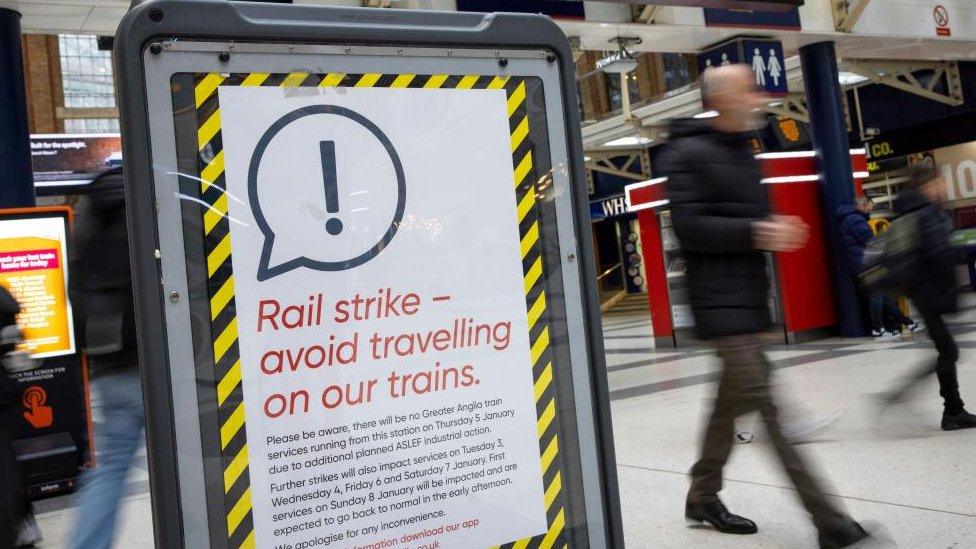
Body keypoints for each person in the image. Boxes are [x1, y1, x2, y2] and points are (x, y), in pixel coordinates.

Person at [665, 64, 873, 548]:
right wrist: (758, 232)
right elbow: (689, 227)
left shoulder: (743, 151)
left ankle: (701, 495)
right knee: (772, 411)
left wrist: (768, 235)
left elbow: (742, 223)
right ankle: (829, 522)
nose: (757, 97)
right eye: (746, 89)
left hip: (746, 303)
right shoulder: (687, 153)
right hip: (718, 305)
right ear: (721, 98)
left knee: (727, 407)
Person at [69, 166, 145, 549]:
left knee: (111, 467)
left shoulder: (90, 216)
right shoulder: (152, 205)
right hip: (161, 366)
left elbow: (76, 290)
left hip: (109, 364)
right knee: (199, 463)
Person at [881, 158, 976, 431]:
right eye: (939, 182)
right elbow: (938, 256)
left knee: (946, 350)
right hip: (931, 292)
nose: (942, 187)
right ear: (927, 185)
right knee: (948, 351)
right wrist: (951, 293)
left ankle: (952, 409)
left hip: (919, 292)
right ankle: (950, 411)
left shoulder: (907, 211)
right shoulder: (927, 213)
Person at [835, 196, 920, 340]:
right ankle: (878, 329)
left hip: (860, 262)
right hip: (865, 263)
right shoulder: (855, 219)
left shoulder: (849, 219)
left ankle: (907, 322)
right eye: (870, 206)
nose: (871, 209)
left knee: (885, 292)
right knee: (878, 293)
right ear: (862, 205)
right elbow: (870, 240)